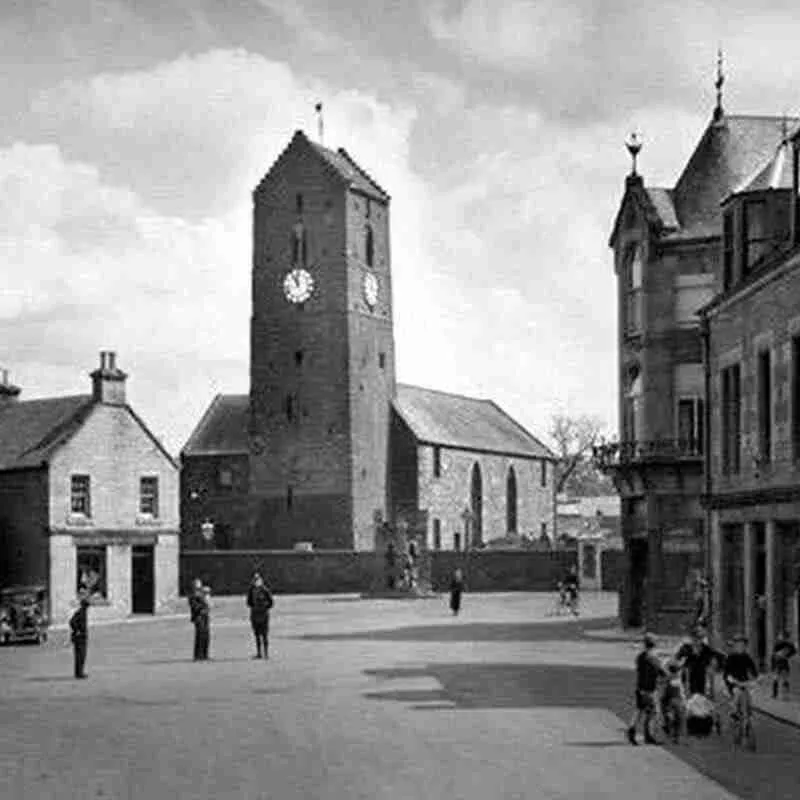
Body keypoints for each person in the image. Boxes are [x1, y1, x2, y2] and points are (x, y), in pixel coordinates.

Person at [628, 632, 667, 745]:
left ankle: (632, 730)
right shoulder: (654, 659)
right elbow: (662, 672)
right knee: (652, 713)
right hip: (650, 689)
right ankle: (648, 735)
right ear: (654, 645)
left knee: (639, 710)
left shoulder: (640, 657)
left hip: (640, 688)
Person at [674, 626, 721, 698]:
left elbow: (715, 658)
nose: (696, 640)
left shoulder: (706, 649)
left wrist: (713, 664)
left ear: (702, 639)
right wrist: (681, 663)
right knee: (689, 698)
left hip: (701, 677)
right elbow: (677, 659)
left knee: (700, 697)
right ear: (691, 638)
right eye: (694, 638)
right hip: (687, 678)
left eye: (699, 638)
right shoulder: (685, 648)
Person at [723, 634, 758, 723]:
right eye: (738, 645)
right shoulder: (730, 657)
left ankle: (748, 710)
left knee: (749, 695)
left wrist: (756, 677)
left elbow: (752, 668)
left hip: (744, 681)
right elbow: (727, 672)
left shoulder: (746, 657)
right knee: (737, 692)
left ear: (745, 646)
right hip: (733, 682)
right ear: (735, 646)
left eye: (743, 645)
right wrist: (730, 679)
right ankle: (733, 711)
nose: (741, 647)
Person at [246, 572, 274, 659]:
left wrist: (264, 608)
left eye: (257, 580)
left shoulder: (265, 590)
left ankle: (266, 653)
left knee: (264, 635)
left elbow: (271, 603)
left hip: (264, 615)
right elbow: (248, 602)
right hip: (255, 615)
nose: (256, 581)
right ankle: (259, 653)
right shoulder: (251, 590)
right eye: (255, 580)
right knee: (257, 635)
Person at [660, 661, 687, 743]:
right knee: (679, 720)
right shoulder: (679, 678)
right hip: (679, 701)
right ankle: (676, 737)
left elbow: (665, 692)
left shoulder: (669, 678)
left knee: (668, 715)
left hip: (670, 701)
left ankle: (667, 726)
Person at [69, 592, 91, 680]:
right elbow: (72, 622)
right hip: (79, 637)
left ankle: (79, 672)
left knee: (82, 655)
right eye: (86, 606)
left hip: (82, 637)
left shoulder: (83, 612)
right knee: (80, 655)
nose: (87, 608)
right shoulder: (80, 612)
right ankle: (79, 673)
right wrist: (77, 630)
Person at [188, 578, 210, 661]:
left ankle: (205, 655)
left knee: (206, 636)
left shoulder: (202, 593)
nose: (199, 585)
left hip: (205, 616)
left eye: (199, 583)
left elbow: (207, 603)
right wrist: (203, 606)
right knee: (199, 636)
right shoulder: (192, 595)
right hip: (198, 617)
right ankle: (198, 655)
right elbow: (195, 606)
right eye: (197, 584)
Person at [771, 630, 797, 699]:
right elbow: (774, 654)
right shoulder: (779, 644)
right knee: (778, 679)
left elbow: (794, 653)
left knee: (782, 679)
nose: (780, 637)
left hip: (783, 663)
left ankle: (782, 695)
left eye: (781, 636)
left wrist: (786, 656)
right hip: (780, 663)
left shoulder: (788, 644)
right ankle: (778, 694)